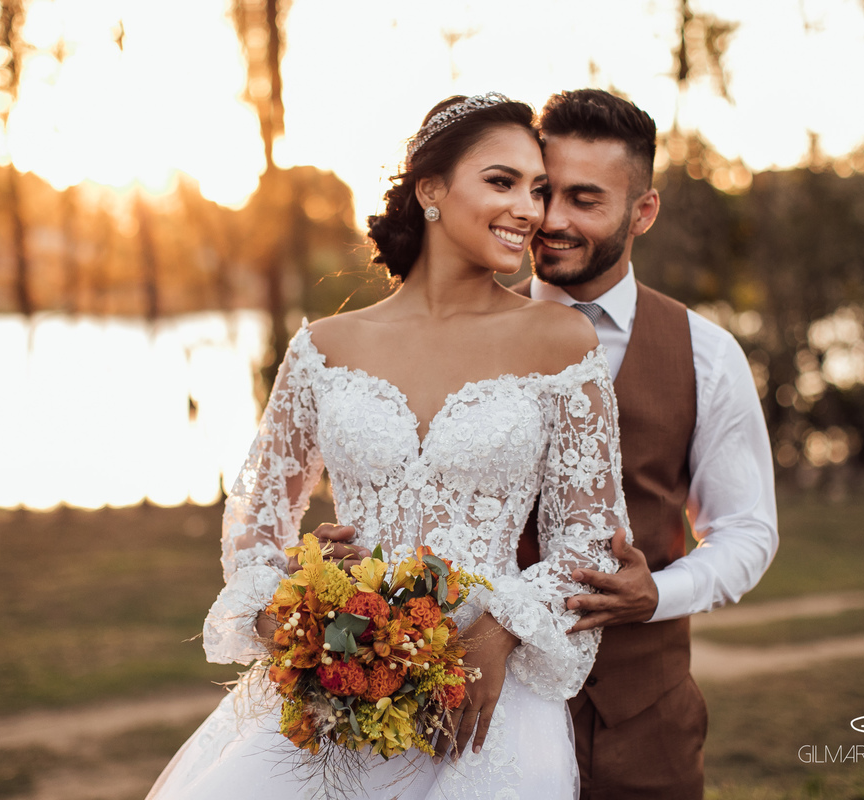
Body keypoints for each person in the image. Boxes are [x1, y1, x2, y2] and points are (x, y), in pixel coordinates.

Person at [146, 93, 630, 800]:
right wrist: (291, 602)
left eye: (538, 190)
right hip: (339, 686)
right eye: (503, 182)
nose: (530, 210)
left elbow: (589, 541)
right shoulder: (324, 348)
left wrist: (498, 631)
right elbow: (256, 521)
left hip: (488, 708)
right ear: (430, 189)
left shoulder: (561, 341)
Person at [310, 89, 779, 800]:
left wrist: (656, 592)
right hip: (455, 723)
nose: (550, 221)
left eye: (585, 200)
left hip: (636, 725)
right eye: (542, 192)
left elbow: (746, 530)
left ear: (642, 211)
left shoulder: (705, 355)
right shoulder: (449, 335)